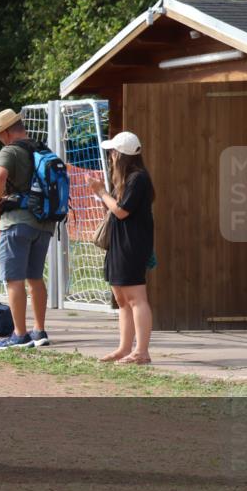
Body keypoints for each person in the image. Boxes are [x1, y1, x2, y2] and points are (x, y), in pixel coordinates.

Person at [0, 108, 55, 349]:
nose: (0, 140)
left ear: (6, 133)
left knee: (13, 279)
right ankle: (39, 331)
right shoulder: (41, 148)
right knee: (35, 278)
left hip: (17, 222)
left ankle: (19, 334)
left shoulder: (10, 150)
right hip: (44, 223)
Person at [89, 131, 155, 364]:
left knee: (136, 297)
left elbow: (122, 211)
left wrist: (101, 192)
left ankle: (142, 351)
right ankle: (124, 347)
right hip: (119, 243)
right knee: (121, 299)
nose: (111, 156)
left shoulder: (139, 178)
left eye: (114, 152)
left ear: (123, 154)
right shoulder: (126, 180)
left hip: (132, 244)